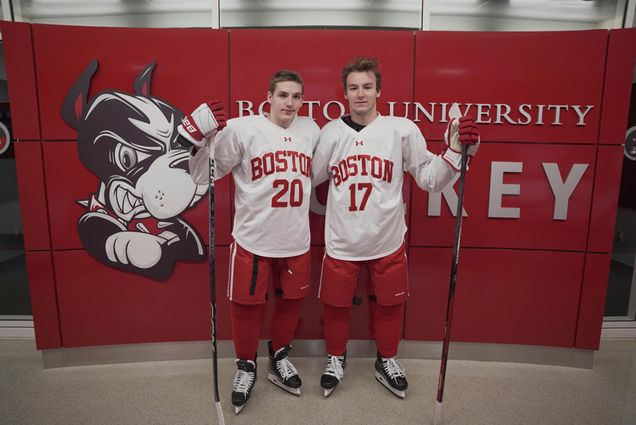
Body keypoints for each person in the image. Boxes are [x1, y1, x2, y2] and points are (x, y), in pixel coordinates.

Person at [312, 57, 479, 399]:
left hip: (387, 238)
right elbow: (306, 179)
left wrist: (456, 150)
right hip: (342, 240)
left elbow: (431, 179)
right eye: (354, 88)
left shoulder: (402, 129)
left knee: (390, 305)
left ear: (379, 90)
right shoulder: (330, 132)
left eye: (367, 87)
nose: (361, 94)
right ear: (344, 93)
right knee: (335, 305)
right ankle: (335, 357)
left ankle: (386, 361)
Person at [177, 70, 320, 414]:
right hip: (254, 239)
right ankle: (246, 365)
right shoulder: (243, 128)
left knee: (290, 304)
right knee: (246, 307)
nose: (290, 103)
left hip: (296, 240)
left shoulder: (311, 130)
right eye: (283, 95)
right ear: (268, 96)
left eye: (297, 96)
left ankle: (279, 356)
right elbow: (201, 174)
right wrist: (194, 141)